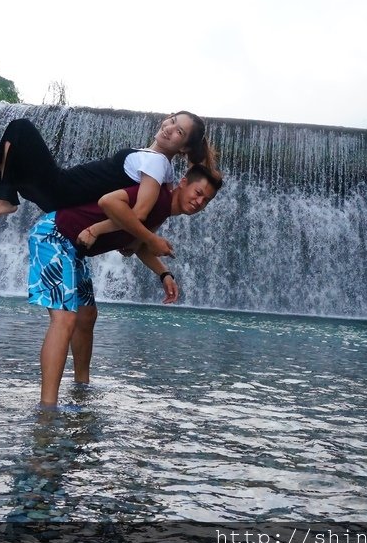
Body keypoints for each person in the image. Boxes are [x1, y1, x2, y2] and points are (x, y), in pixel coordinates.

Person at [30, 164, 223, 407]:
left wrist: (164, 273)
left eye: (205, 200)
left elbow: (140, 243)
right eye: (198, 192)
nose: (199, 202)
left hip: (73, 250)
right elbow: (110, 202)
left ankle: (82, 386)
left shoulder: (160, 210)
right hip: (54, 235)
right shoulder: (155, 195)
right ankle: (48, 406)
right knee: (65, 319)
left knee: (87, 315)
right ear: (183, 183)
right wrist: (107, 231)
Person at [0, 105, 216, 248]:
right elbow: (150, 215)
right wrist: (133, 243)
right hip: (59, 192)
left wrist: (99, 230)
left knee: (20, 129)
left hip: (60, 187)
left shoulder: (159, 164)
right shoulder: (155, 161)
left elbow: (142, 212)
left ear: (185, 146)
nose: (170, 128)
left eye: (179, 131)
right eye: (172, 120)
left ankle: (5, 198)